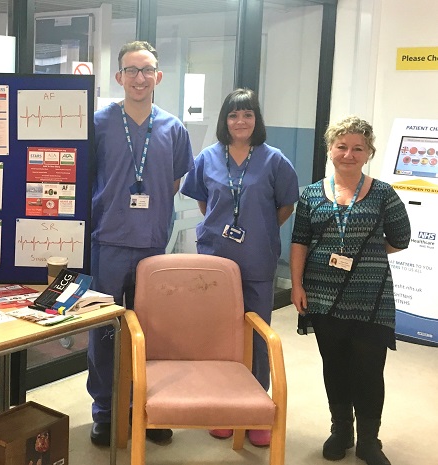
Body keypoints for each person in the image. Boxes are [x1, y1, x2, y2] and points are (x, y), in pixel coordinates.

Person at [86, 40, 194, 447]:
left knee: (152, 330)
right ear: (119, 77)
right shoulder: (98, 124)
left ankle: (150, 408)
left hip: (151, 244)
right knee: (105, 331)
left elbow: (175, 181)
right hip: (107, 240)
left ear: (158, 77)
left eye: (146, 70)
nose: (139, 78)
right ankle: (106, 411)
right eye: (131, 70)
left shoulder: (173, 128)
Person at [180, 88, 299, 447]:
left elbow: (285, 206)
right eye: (233, 115)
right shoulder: (207, 158)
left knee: (258, 335)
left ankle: (254, 410)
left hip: (257, 259)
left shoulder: (274, 159)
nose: (240, 121)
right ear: (224, 120)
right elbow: (203, 202)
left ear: (256, 120)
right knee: (219, 333)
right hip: (216, 258)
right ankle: (223, 406)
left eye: (247, 114)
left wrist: (258, 231)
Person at [290, 116, 410, 465]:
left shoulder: (384, 193)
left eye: (358, 148)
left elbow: (400, 239)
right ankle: (341, 431)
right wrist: (296, 285)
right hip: (322, 296)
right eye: (341, 146)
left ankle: (370, 441)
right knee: (335, 365)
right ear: (330, 149)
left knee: (369, 369)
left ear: (369, 152)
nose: (348, 154)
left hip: (371, 298)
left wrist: (367, 253)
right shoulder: (312, 194)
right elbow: (299, 242)